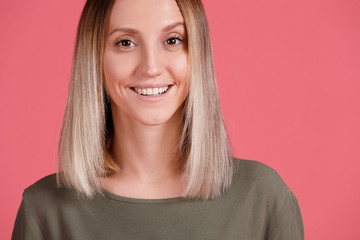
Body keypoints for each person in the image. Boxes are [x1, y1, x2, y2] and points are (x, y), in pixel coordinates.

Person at [12, 0, 304, 239]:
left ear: (196, 56)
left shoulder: (264, 199)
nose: (151, 67)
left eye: (173, 40)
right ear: (95, 60)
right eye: (125, 42)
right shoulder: (44, 211)